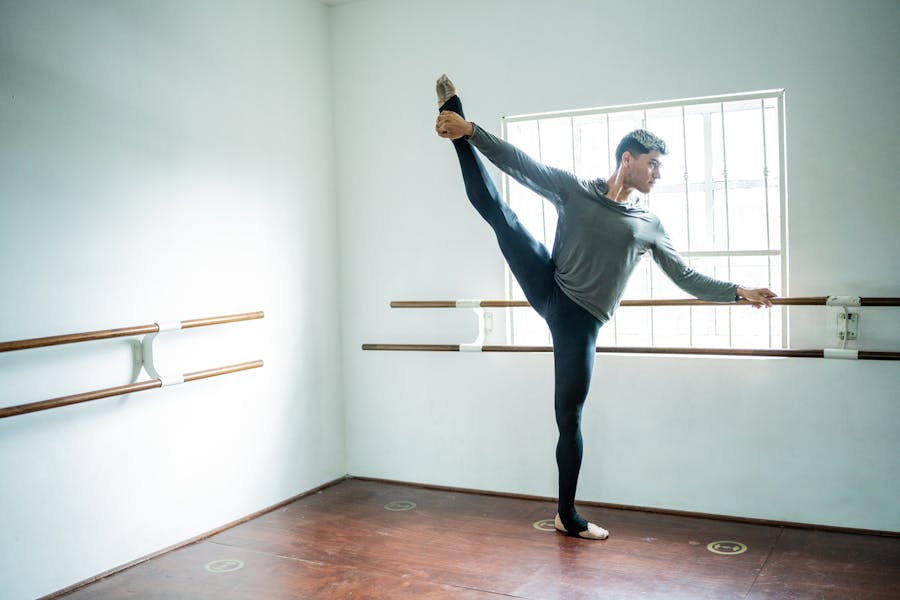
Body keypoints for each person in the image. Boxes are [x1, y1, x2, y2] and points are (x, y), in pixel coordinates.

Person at [434, 75, 776, 540]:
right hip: (548, 283)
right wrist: (469, 128)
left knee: (568, 417)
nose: (659, 174)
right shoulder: (574, 190)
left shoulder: (647, 224)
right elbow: (520, 164)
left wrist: (739, 291)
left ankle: (566, 515)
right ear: (627, 159)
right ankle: (453, 119)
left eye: (661, 167)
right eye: (653, 164)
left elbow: (684, 277)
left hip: (580, 321)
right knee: (500, 215)